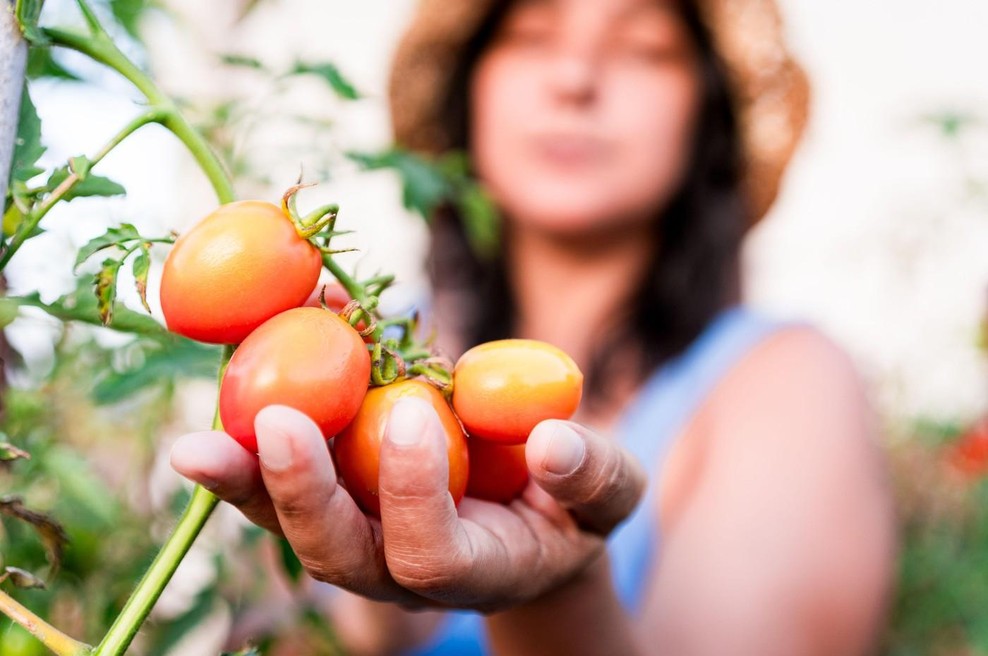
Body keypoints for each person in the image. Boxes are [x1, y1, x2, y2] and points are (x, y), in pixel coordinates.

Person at [171, 0, 896, 653]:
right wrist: (364, 618)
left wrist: (554, 594)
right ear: (472, 90)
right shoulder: (344, 350)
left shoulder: (785, 383)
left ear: (705, 114)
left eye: (643, 47)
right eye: (530, 36)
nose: (576, 79)